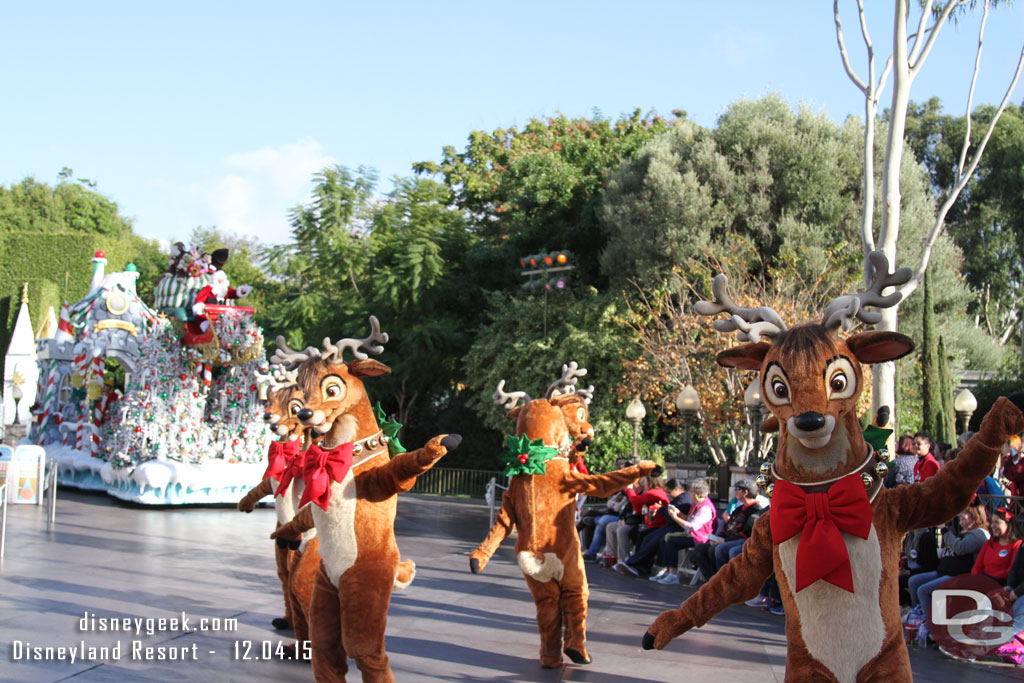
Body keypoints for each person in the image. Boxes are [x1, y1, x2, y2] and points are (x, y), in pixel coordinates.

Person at [906, 504, 989, 617]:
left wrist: (944, 530)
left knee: (923, 590)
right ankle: (919, 613)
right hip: (943, 571)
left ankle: (930, 624)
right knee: (914, 581)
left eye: (964, 514)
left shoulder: (978, 534)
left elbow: (960, 548)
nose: (960, 516)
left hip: (957, 575)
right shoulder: (962, 532)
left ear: (974, 516)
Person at [690, 480, 764, 581]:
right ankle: (711, 579)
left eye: (738, 489)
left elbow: (746, 533)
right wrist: (717, 538)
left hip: (740, 540)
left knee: (718, 549)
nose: (735, 492)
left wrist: (724, 541)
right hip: (726, 539)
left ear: (745, 492)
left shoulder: (756, 510)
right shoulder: (738, 509)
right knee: (700, 549)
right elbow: (727, 527)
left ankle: (725, 581)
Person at [645, 479, 716, 584]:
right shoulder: (696, 504)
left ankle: (673, 575)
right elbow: (689, 519)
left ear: (699, 494)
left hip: (701, 538)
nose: (689, 494)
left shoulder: (705, 508)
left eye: (691, 492)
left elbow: (692, 526)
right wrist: (679, 514)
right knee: (666, 537)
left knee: (672, 541)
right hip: (694, 535)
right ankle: (666, 570)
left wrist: (675, 518)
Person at [613, 479, 689, 575]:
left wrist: (660, 509)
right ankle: (638, 566)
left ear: (677, 489)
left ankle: (632, 563)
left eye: (669, 492)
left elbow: (672, 515)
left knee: (654, 540)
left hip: (674, 528)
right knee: (646, 537)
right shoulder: (679, 498)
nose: (668, 495)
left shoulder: (682, 500)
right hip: (668, 527)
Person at [972, 507, 1021, 584]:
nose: (992, 526)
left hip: (1000, 584)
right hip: (982, 582)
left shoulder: (1017, 545)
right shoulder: (989, 543)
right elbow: (977, 567)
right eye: (992, 522)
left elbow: (1011, 571)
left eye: (997, 522)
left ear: (1008, 524)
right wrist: (977, 579)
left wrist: (987, 578)